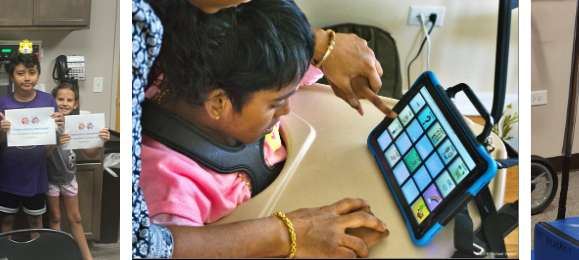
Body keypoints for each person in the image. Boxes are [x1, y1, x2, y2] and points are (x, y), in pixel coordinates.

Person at [133, 0, 388, 258]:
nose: (287, 108)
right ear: (219, 104)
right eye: (277, 103)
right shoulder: (174, 192)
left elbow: (291, 65)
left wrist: (324, 48)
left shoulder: (240, 71)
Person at [0, 52, 62, 237]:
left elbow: (50, 138)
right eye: (21, 73)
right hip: (9, 174)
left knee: (36, 221)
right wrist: (2, 130)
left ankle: (36, 254)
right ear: (12, 76)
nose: (27, 77)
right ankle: (6, 255)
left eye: (32, 72)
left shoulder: (48, 100)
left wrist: (58, 125)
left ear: (38, 74)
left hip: (36, 174)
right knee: (7, 219)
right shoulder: (3, 103)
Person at [46, 82, 110, 260]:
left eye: (69, 100)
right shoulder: (48, 123)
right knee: (55, 216)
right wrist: (56, 142)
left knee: (76, 218)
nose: (64, 103)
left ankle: (87, 257)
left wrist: (101, 141)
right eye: (60, 99)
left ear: (75, 104)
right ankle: (57, 255)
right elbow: (43, 154)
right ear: (53, 100)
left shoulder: (78, 125)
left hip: (69, 179)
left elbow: (91, 154)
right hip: (50, 179)